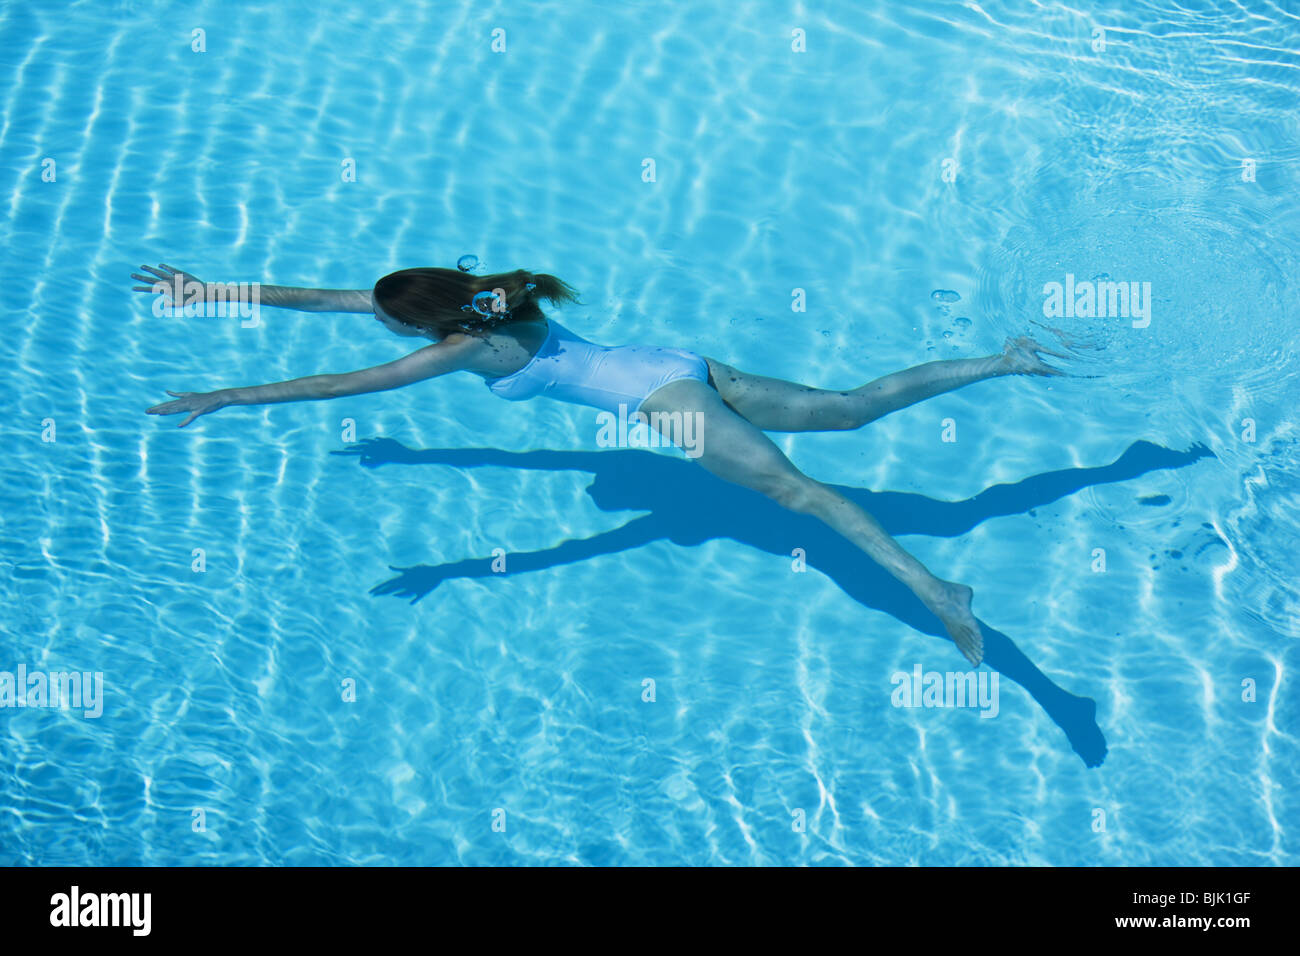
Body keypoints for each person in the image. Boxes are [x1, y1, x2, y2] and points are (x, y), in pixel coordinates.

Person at [132, 262, 1070, 665]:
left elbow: (349, 380)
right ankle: (1003, 360)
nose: (377, 317)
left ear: (429, 325)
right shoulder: (489, 301)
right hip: (674, 361)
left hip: (662, 402)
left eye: (395, 321)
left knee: (801, 494)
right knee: (852, 410)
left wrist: (228, 396)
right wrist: (208, 292)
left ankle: (937, 591)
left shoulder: (464, 348)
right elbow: (331, 302)